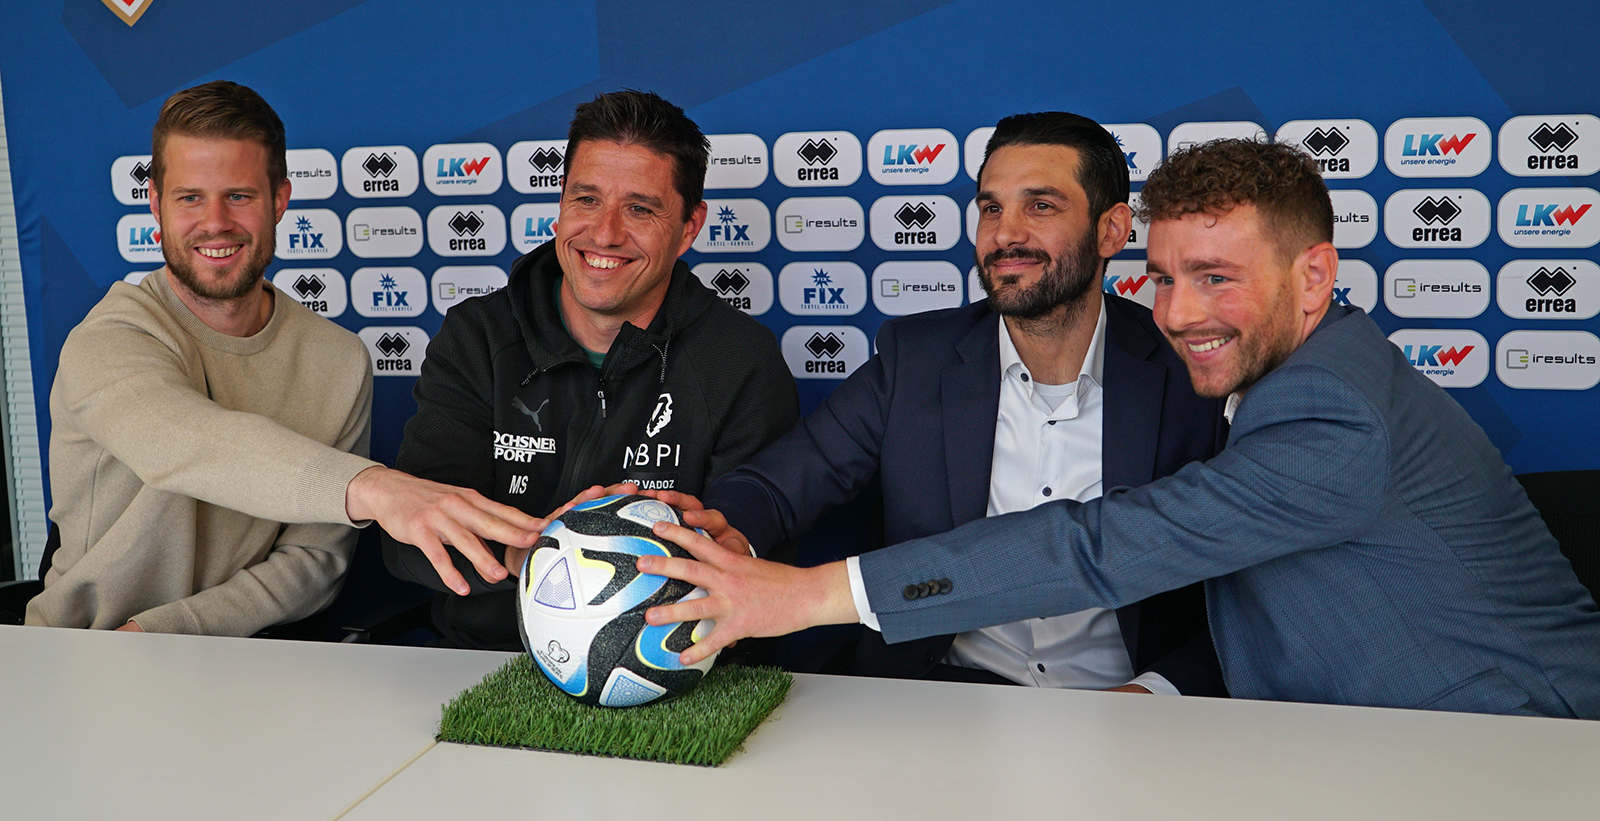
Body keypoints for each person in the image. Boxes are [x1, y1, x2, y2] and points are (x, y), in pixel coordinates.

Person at [638, 138, 1600, 718]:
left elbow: (1101, 546)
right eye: (1168, 277)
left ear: (1314, 278)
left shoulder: (1330, 405)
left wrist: (805, 594)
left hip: (1512, 740)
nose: (1179, 314)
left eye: (1217, 277)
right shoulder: (1286, 370)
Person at [683, 112, 1228, 694]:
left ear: (1111, 230)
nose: (1006, 233)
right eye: (991, 208)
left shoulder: (1193, 374)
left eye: (1040, 206)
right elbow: (777, 484)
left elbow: (1248, 593)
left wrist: (1156, 692)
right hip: (942, 698)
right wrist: (726, 533)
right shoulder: (914, 360)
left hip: (1131, 711)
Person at [28, 81, 544, 636]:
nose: (216, 221)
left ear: (280, 200)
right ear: (155, 204)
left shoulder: (338, 359)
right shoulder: (110, 336)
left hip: (238, 661)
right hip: (83, 650)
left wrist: (166, 632)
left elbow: (314, 562)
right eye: (189, 197)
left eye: (240, 196)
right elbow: (182, 441)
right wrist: (375, 488)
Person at [382, 90, 798, 650]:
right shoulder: (478, 335)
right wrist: (535, 553)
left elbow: (744, 558)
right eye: (587, 200)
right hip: (486, 654)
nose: (604, 234)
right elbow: (409, 541)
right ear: (560, 205)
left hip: (661, 664)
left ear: (689, 226)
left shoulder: (739, 358)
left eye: (640, 208)